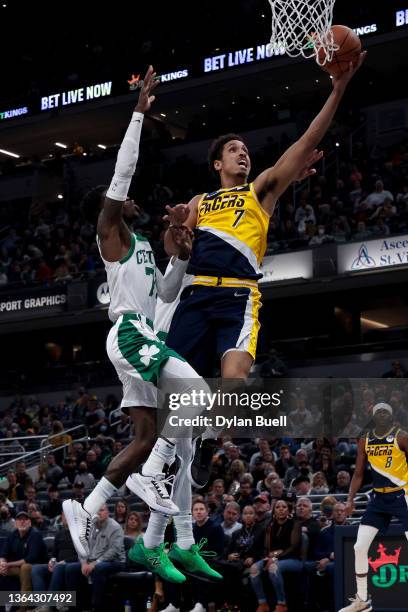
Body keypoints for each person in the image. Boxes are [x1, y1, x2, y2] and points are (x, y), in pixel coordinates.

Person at [62, 66, 219, 585]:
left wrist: (180, 258)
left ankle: (88, 507)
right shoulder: (112, 231)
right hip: (129, 335)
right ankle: (154, 482)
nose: (133, 199)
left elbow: (167, 297)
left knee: (147, 434)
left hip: (142, 334)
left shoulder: (146, 246)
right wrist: (137, 113)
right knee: (196, 393)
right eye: (124, 199)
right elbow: (121, 176)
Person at [162, 52, 366, 384]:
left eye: (245, 150)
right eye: (233, 150)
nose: (242, 153)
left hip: (238, 295)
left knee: (235, 380)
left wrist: (337, 90)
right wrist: (176, 230)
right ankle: (186, 433)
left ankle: (214, 433)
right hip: (197, 294)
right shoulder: (200, 201)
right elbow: (174, 250)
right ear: (217, 164)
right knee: (170, 385)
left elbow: (306, 141)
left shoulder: (260, 191)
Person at [340, 402, 408, 612]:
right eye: (377, 412)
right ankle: (362, 600)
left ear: (390, 415)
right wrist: (350, 500)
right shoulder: (365, 440)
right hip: (378, 499)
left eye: (385, 411)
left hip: (402, 494)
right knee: (359, 547)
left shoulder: (401, 436)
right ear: (372, 416)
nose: (381, 414)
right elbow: (359, 474)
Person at [249, 499, 302, 612]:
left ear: (288, 510)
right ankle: (262, 603)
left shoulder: (295, 524)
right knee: (254, 569)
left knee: (273, 567)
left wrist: (275, 557)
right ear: (274, 511)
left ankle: (281, 604)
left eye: (284, 507)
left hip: (292, 558)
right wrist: (267, 557)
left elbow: (293, 547)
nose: (281, 509)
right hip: (274, 558)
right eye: (278, 507)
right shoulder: (270, 525)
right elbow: (266, 547)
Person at [0, 511, 47, 600]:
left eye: (25, 519)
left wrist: (8, 565)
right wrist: (2, 564)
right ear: (15, 523)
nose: (22, 522)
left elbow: (31, 558)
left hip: (35, 565)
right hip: (17, 567)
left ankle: (23, 607)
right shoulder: (12, 535)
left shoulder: (35, 534)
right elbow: (3, 554)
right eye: (19, 519)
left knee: (25, 568)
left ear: (30, 522)